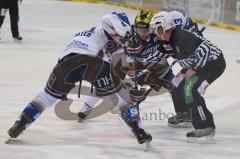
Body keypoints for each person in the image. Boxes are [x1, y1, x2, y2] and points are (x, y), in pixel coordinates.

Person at [7, 12, 152, 145]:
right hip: (94, 64)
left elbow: (124, 64)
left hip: (67, 63)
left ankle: (20, 124)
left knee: (46, 96)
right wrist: (126, 34)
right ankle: (138, 129)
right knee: (120, 98)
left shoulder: (95, 34)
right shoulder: (109, 29)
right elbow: (108, 18)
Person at [150, 11, 226, 143]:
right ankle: (185, 114)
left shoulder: (182, 37)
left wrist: (193, 69)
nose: (154, 33)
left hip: (212, 63)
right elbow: (158, 57)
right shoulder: (165, 41)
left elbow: (205, 51)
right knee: (174, 84)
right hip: (196, 64)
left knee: (191, 89)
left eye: (156, 29)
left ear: (163, 28)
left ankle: (205, 125)